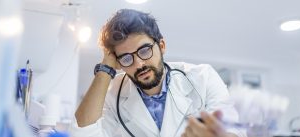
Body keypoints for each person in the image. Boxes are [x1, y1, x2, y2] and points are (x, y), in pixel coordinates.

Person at [71, 9, 246, 137]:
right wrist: (105, 68)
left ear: (161, 46)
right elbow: (82, 132)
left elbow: (235, 131)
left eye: (145, 50)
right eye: (126, 58)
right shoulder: (113, 94)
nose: (139, 64)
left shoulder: (203, 77)